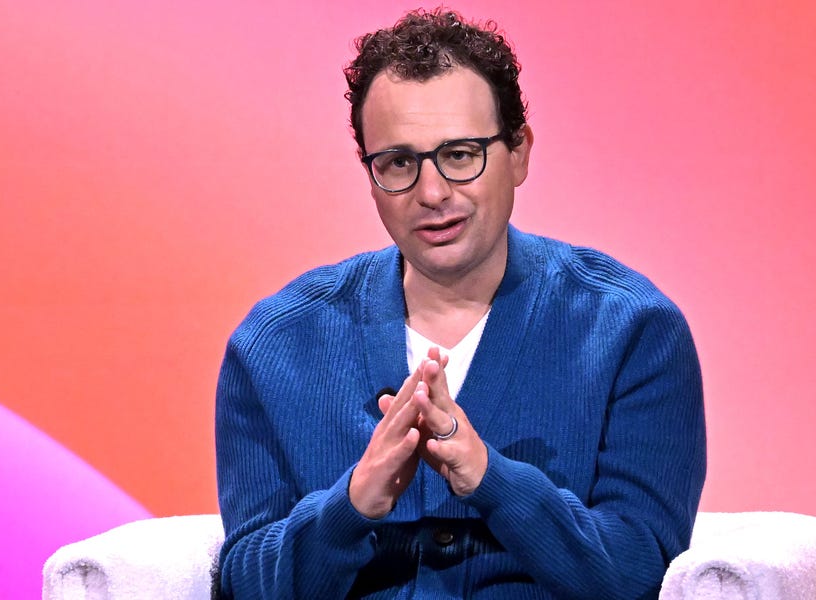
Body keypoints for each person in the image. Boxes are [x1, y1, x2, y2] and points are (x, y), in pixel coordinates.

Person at [214, 8, 705, 599]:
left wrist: (491, 479)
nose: (431, 192)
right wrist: (350, 508)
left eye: (461, 154)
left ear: (518, 153)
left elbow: (641, 573)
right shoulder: (274, 345)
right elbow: (242, 582)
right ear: (370, 174)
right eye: (399, 162)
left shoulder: (633, 331)